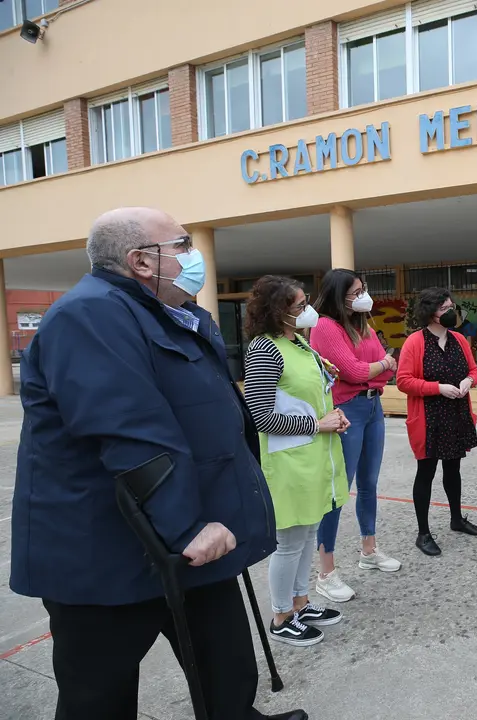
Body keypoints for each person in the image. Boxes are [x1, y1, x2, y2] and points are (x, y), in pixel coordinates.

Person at [9, 207, 307, 720]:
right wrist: (186, 526)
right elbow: (128, 428)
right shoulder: (91, 315)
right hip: (111, 547)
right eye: (183, 244)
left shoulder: (171, 313)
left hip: (188, 529)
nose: (194, 256)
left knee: (226, 662)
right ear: (141, 261)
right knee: (99, 693)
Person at [243, 275, 350, 647]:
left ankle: (300, 603)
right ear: (278, 311)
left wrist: (333, 416)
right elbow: (261, 416)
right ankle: (281, 616)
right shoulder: (264, 349)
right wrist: (318, 424)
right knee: (289, 542)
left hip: (313, 456)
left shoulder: (298, 342)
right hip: (288, 462)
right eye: (300, 305)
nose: (309, 310)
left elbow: (308, 397)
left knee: (307, 536)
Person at [310, 269, 401, 604]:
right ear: (339, 295)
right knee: (337, 490)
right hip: (346, 409)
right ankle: (326, 572)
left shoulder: (363, 325)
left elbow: (379, 369)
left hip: (373, 407)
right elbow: (352, 370)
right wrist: (381, 366)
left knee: (369, 483)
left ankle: (369, 550)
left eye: (364, 289)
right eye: (357, 291)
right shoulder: (325, 326)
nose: (364, 296)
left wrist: (377, 369)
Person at [395, 288, 477, 556]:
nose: (450, 312)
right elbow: (403, 381)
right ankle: (423, 533)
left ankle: (456, 518)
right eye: (444, 309)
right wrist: (438, 388)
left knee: (453, 469)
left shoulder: (459, 339)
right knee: (426, 472)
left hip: (456, 414)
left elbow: (474, 370)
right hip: (429, 417)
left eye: (451, 307)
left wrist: (469, 380)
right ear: (430, 312)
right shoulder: (415, 342)